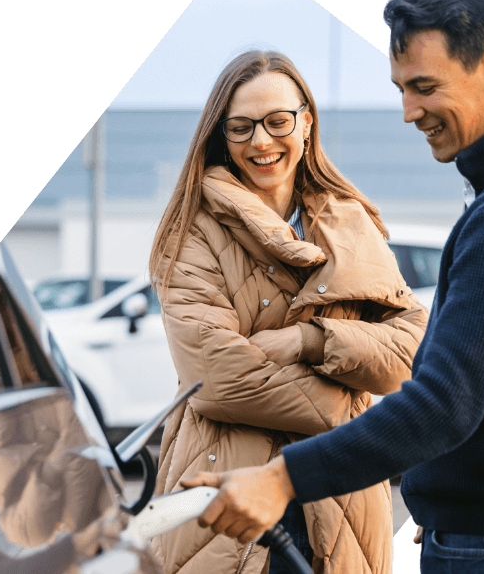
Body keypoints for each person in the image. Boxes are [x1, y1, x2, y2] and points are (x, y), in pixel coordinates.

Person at [180, 0, 484, 574]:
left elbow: (439, 401)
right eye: (403, 90)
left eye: (426, 88)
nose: (410, 112)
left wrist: (282, 477)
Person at [147, 50, 430, 574]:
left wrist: (313, 342)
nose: (261, 141)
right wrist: (354, 414)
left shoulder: (351, 223)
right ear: (221, 137)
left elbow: (414, 350)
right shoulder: (193, 232)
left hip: (343, 503)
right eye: (241, 127)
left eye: (277, 121)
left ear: (306, 122)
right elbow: (217, 379)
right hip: (226, 503)